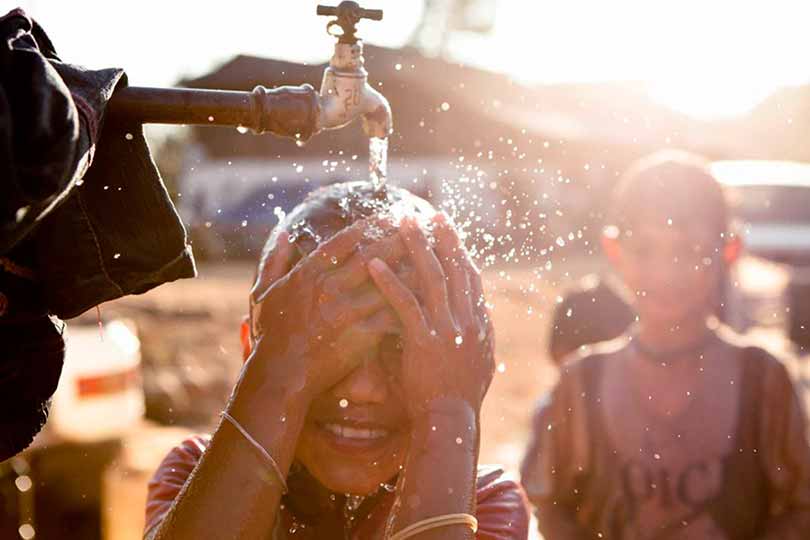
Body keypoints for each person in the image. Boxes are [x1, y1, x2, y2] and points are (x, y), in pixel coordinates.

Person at [144, 182, 530, 540]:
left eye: (398, 348)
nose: (363, 390)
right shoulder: (196, 474)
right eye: (327, 349)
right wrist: (274, 378)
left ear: (457, 365)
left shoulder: (485, 501)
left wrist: (449, 411)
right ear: (253, 353)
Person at [521, 150, 810, 539]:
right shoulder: (581, 383)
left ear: (728, 251)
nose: (665, 272)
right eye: (644, 250)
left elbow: (800, 506)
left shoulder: (764, 381)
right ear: (614, 251)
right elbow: (550, 505)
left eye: (688, 251)